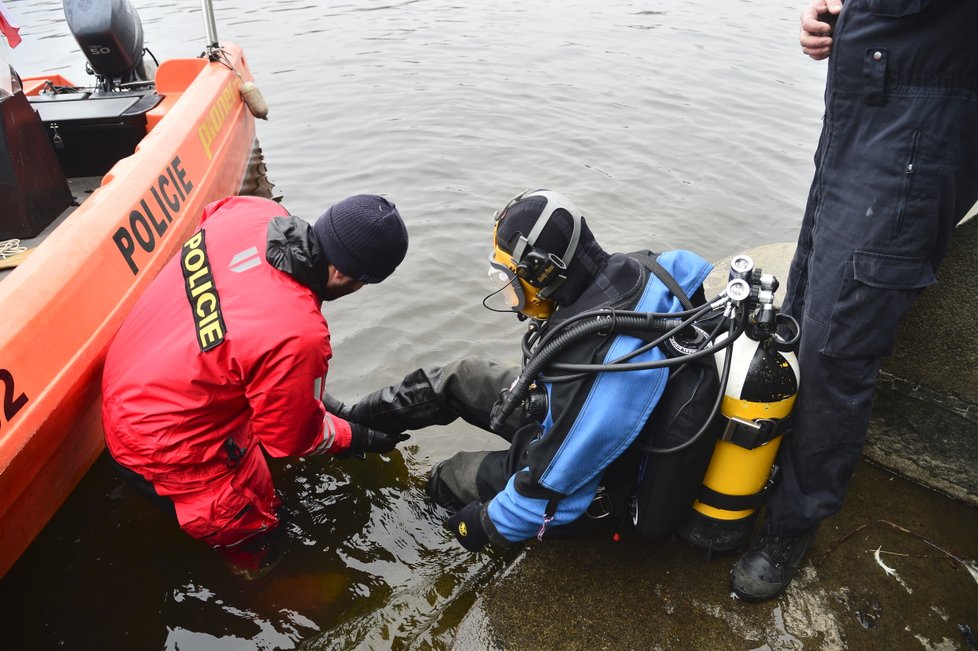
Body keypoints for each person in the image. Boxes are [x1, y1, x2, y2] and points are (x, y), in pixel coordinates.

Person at [730, 0, 978, 601]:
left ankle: (794, 522)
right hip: (859, 107)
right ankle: (761, 474)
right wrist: (839, 14)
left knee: (836, 349)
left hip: (922, 120)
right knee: (799, 308)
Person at [324, 189, 715, 551]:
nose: (510, 292)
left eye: (508, 277)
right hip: (563, 412)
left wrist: (480, 525)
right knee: (460, 377)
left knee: (451, 475)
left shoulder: (603, 372)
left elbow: (547, 491)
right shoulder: (654, 269)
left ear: (542, 272)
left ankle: (419, 531)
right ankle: (357, 424)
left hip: (593, 472)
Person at [101, 193, 411, 575]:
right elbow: (293, 441)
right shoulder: (300, 334)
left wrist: (321, 402)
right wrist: (355, 437)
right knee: (258, 534)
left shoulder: (254, 211)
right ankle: (256, 577)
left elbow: (246, 334)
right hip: (160, 444)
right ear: (347, 276)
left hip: (125, 381)